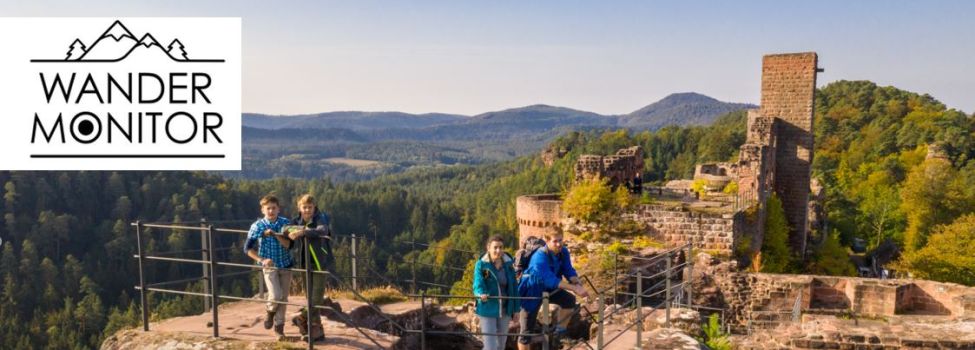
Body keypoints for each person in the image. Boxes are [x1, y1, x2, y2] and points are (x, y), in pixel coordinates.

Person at [516, 230, 588, 349]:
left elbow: (568, 269)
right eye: (555, 241)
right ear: (547, 241)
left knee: (569, 300)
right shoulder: (539, 256)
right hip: (532, 291)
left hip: (549, 289)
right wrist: (574, 288)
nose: (559, 244)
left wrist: (576, 281)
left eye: (560, 240)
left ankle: (559, 333)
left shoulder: (563, 252)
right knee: (526, 332)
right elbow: (550, 279)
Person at [243, 195, 294, 338]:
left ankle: (279, 329)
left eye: (274, 208)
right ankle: (270, 312)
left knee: (283, 298)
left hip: (285, 264)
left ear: (278, 209)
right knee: (275, 295)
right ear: (262, 210)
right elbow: (247, 249)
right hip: (269, 266)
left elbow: (289, 245)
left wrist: (276, 235)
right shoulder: (257, 226)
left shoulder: (285, 223)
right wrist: (261, 259)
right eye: (268, 208)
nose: (271, 211)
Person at [286, 194, 333, 342]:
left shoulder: (321, 217)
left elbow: (322, 230)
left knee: (317, 298)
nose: (307, 210)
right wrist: (292, 230)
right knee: (310, 298)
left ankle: (301, 317)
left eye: (310, 207)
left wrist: (303, 232)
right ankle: (317, 332)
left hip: (320, 262)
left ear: (314, 207)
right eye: (304, 207)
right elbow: (284, 228)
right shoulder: (297, 220)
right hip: (304, 263)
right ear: (299, 208)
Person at [472, 235, 518, 350]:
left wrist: (516, 309)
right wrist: (480, 293)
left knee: (501, 345)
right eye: (495, 247)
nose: (499, 250)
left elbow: (514, 287)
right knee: (490, 346)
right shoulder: (482, 264)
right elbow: (478, 283)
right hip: (488, 307)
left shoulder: (508, 264)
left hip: (505, 309)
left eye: (501, 247)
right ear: (488, 248)